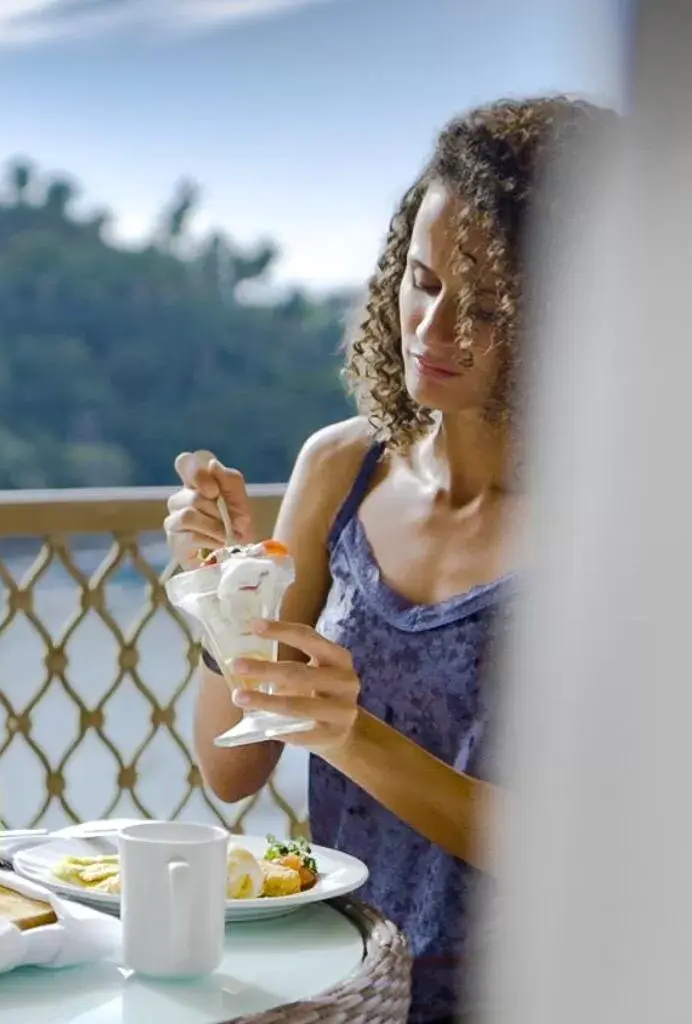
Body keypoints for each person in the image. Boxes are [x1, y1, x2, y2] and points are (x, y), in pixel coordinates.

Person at [162, 95, 614, 1022]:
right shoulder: (343, 466)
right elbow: (230, 771)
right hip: (353, 988)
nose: (433, 328)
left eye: (487, 307)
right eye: (421, 278)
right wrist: (225, 601)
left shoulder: (623, 521)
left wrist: (349, 734)